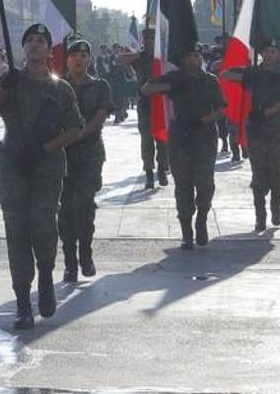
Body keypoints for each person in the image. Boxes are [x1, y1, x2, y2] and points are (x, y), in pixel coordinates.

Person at [0, 24, 84, 330]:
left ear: (49, 49)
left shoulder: (60, 88)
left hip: (46, 167)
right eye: (30, 41)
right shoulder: (11, 81)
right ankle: (23, 303)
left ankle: (45, 275)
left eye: (41, 41)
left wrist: (44, 150)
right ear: (23, 47)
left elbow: (75, 129)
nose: (35, 45)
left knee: (42, 225)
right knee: (16, 232)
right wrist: (6, 84)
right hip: (12, 165)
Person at [148, 42, 227, 248]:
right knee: (183, 185)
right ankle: (186, 230)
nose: (192, 59)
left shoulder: (210, 81)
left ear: (201, 58)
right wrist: (171, 86)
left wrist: (205, 120)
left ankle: (201, 219)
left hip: (204, 136)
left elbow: (220, 108)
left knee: (205, 184)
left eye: (196, 55)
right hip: (181, 137)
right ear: (182, 59)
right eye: (189, 56)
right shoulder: (175, 78)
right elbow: (147, 89)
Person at [222, 38, 280, 232]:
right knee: (258, 173)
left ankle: (275, 206)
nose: (269, 55)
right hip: (257, 131)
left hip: (276, 129)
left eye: (273, 51)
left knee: (277, 171)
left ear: (277, 54)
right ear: (261, 54)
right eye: (266, 51)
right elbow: (226, 75)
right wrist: (244, 71)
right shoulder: (253, 73)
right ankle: (260, 215)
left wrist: (267, 112)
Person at [58, 36, 112, 280]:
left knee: (84, 205)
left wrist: (79, 134)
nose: (78, 60)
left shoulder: (100, 86)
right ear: (67, 60)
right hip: (62, 155)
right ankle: (69, 260)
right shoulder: (57, 86)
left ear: (89, 60)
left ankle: (86, 254)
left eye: (83, 56)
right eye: (73, 56)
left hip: (89, 153)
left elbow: (99, 117)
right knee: (65, 208)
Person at [116, 28, 169, 190]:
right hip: (145, 103)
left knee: (162, 139)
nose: (148, 40)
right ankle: (148, 173)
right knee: (146, 140)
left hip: (161, 102)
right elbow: (120, 61)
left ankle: (162, 169)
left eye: (152, 37)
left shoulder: (163, 56)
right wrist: (140, 54)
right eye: (145, 37)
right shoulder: (139, 58)